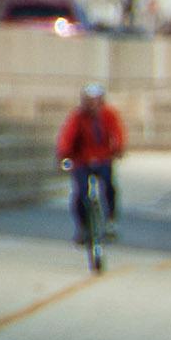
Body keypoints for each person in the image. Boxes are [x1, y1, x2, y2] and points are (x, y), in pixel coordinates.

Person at [56, 84, 126, 244]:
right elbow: (66, 136)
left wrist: (118, 149)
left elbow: (118, 132)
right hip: (82, 159)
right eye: (89, 101)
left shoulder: (109, 115)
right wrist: (64, 154)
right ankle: (82, 227)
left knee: (109, 186)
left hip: (103, 157)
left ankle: (110, 220)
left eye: (96, 101)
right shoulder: (78, 116)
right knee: (80, 193)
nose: (92, 105)